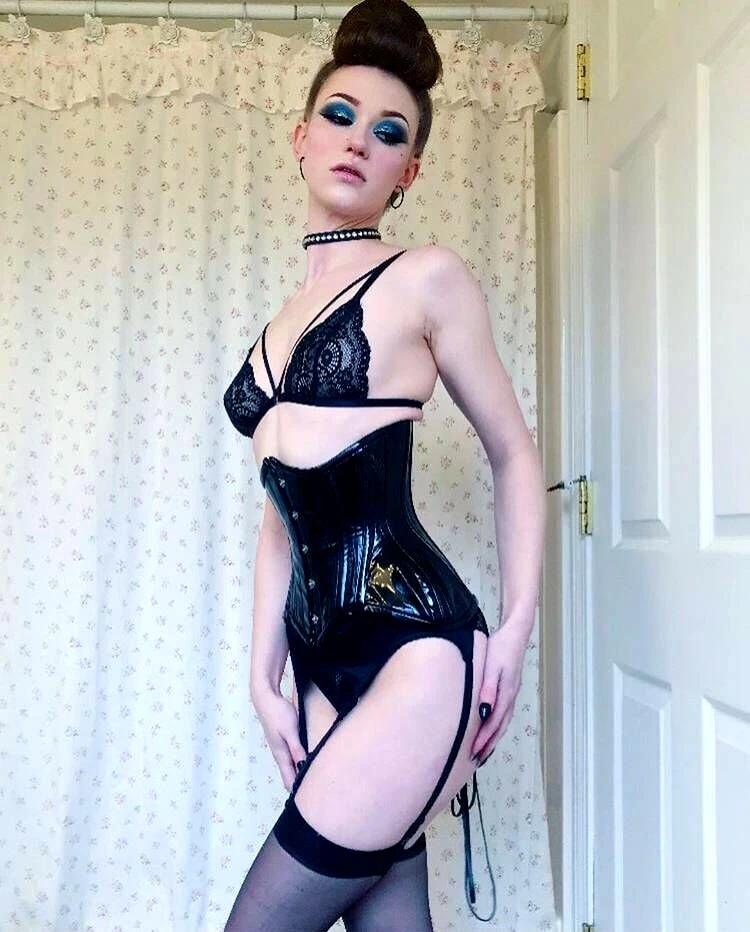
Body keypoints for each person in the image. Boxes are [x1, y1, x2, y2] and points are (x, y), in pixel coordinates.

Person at [222, 0, 546, 928]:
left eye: (389, 131)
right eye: (339, 115)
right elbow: (281, 515)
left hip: (418, 649)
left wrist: (514, 630)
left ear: (411, 170)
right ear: (300, 138)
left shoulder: (427, 278)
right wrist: (262, 672)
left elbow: (513, 451)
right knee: (389, 916)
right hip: (319, 660)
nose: (359, 139)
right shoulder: (276, 324)